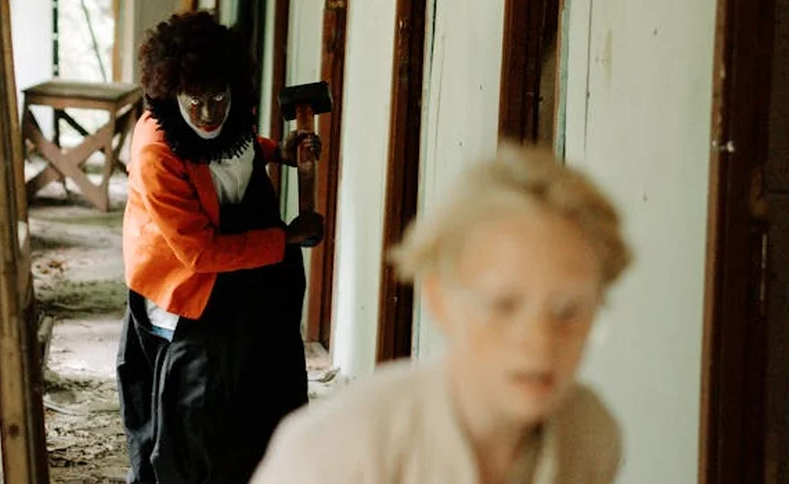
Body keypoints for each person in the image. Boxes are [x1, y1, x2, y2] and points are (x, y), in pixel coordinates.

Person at [251, 145, 633, 484]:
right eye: (503, 305)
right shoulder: (337, 452)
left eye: (568, 311)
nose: (540, 341)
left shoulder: (589, 437)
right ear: (441, 301)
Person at [116, 10, 323, 484]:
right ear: (172, 95)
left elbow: (239, 146)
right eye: (195, 104)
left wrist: (281, 152)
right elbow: (201, 254)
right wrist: (286, 237)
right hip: (184, 284)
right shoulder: (157, 151)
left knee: (259, 393)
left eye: (218, 99)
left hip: (238, 267)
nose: (208, 114)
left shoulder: (233, 111)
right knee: (192, 423)